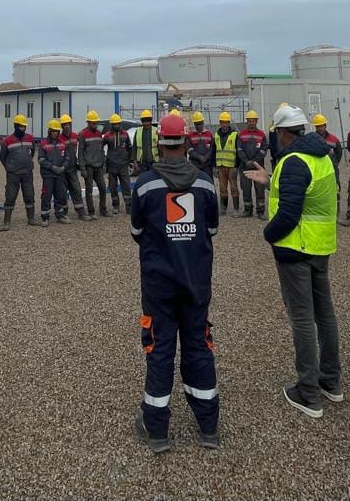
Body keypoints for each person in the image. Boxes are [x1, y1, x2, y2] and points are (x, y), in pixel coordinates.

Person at [131, 113, 220, 453]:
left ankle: (156, 431)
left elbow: (137, 233)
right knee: (199, 348)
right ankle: (208, 426)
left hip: (159, 286)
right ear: (186, 142)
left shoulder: (145, 184)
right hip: (196, 283)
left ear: (159, 143)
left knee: (160, 350)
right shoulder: (205, 183)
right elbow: (211, 229)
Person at [245, 105, 341, 418]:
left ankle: (309, 393)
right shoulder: (321, 155)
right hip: (319, 246)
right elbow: (306, 193)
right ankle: (331, 381)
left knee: (302, 319)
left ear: (284, 133)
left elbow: (288, 213)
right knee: (324, 315)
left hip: (295, 248)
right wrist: (271, 179)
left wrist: (268, 233)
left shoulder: (294, 161)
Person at [0, 114, 38, 228]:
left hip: (27, 173)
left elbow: (32, 153)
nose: (22, 128)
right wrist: (9, 167)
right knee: (10, 196)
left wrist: (27, 163)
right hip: (13, 174)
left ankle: (31, 219)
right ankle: (7, 222)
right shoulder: (7, 141)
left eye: (24, 126)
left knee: (30, 195)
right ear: (15, 126)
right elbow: (3, 157)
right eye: (20, 126)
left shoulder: (30, 138)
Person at [37, 119, 71, 226]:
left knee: (60, 195)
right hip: (48, 175)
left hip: (60, 174)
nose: (55, 133)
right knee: (46, 195)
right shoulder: (43, 144)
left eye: (56, 131)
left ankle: (60, 215)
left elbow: (67, 157)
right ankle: (45, 217)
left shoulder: (62, 143)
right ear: (49, 131)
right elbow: (41, 160)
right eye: (53, 131)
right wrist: (53, 167)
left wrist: (63, 167)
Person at [79, 110, 109, 220]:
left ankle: (103, 209)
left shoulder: (98, 134)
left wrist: (103, 164)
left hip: (99, 166)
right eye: (93, 122)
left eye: (96, 122)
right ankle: (91, 211)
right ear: (88, 122)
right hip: (88, 167)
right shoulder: (82, 134)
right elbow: (80, 153)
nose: (95, 124)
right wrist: (82, 169)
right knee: (89, 189)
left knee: (102, 188)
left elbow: (101, 150)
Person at [237, 110, 268, 218]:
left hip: (258, 167)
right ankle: (248, 210)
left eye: (253, 121)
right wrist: (246, 161)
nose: (251, 123)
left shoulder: (261, 135)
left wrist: (254, 162)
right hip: (245, 167)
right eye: (249, 121)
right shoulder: (241, 134)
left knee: (260, 189)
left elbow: (263, 150)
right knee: (246, 188)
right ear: (247, 121)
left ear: (256, 121)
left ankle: (261, 211)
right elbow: (239, 150)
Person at [57, 114, 88, 221]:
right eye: (64, 124)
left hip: (73, 169)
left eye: (68, 124)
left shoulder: (75, 136)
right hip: (63, 170)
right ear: (61, 126)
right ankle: (63, 213)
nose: (67, 126)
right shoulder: (59, 139)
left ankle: (81, 213)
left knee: (76, 190)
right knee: (63, 192)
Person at [104, 114, 133, 215]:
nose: (116, 125)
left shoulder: (125, 134)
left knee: (126, 186)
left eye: (118, 123)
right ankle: (115, 205)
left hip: (123, 165)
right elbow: (100, 147)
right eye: (114, 124)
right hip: (112, 165)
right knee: (112, 187)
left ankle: (129, 206)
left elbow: (130, 148)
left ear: (120, 124)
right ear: (111, 124)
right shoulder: (107, 135)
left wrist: (128, 159)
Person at [213, 112, 239, 216]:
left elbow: (238, 152)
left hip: (231, 166)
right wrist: (214, 166)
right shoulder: (216, 135)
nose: (224, 124)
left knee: (234, 188)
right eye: (222, 122)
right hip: (220, 166)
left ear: (229, 123)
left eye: (226, 122)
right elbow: (213, 151)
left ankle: (236, 209)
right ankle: (223, 208)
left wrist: (237, 166)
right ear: (220, 123)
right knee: (222, 189)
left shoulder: (234, 135)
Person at [186, 112, 214, 179]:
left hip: (207, 165)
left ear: (203, 122)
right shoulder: (190, 135)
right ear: (194, 124)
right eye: (196, 124)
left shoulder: (209, 134)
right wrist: (199, 157)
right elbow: (189, 149)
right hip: (194, 164)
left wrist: (206, 157)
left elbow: (212, 148)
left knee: (208, 181)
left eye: (200, 124)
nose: (198, 126)